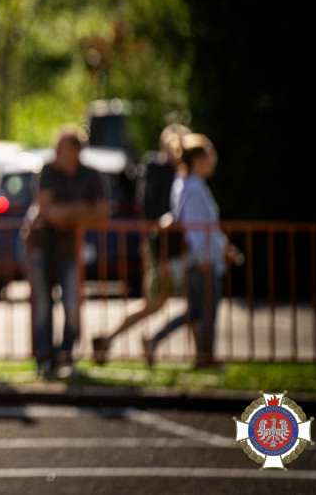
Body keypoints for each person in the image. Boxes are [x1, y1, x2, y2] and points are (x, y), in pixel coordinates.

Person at [91, 123, 190, 361]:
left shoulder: (167, 171)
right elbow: (156, 212)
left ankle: (112, 339)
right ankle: (120, 339)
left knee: (178, 301)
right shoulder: (161, 171)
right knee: (179, 302)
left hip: (170, 245)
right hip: (165, 246)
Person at [142, 133, 243, 367]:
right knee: (206, 310)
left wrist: (225, 248)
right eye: (209, 153)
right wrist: (205, 257)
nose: (213, 159)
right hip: (201, 259)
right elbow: (197, 229)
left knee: (197, 310)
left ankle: (183, 349)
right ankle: (205, 358)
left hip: (199, 257)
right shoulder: (194, 188)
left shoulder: (184, 183)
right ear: (198, 159)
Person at [24, 126, 108, 378]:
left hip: (70, 249)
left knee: (72, 305)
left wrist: (66, 213)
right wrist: (81, 210)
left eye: (70, 149)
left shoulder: (90, 174)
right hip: (42, 247)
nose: (65, 154)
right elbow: (49, 211)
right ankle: (43, 358)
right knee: (42, 304)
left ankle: (65, 354)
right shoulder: (48, 171)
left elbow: (102, 212)